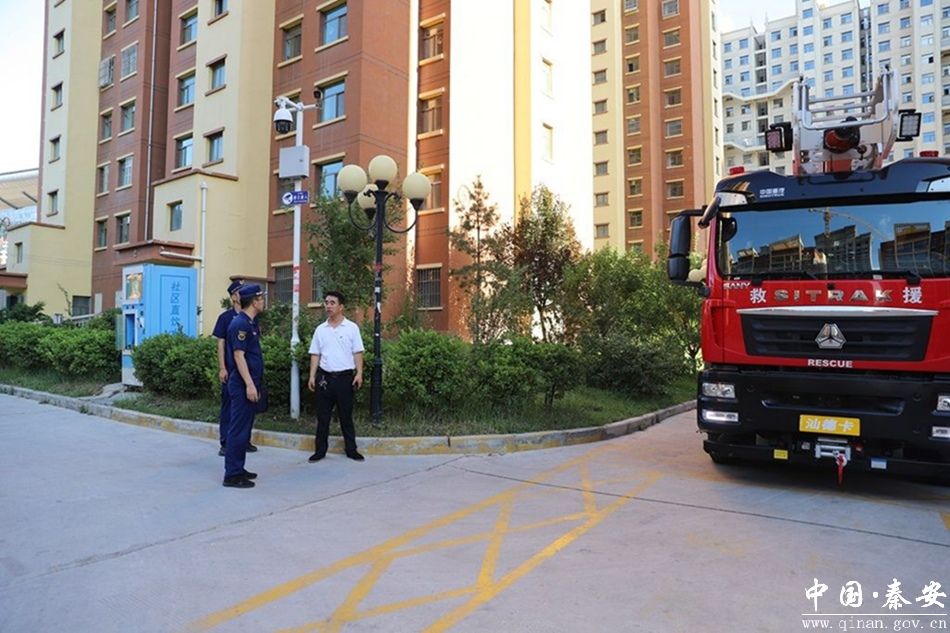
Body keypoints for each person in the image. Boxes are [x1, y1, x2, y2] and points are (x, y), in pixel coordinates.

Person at [307, 290, 365, 462]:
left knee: (346, 416)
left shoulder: (351, 328)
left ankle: (351, 449)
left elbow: (357, 352)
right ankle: (320, 450)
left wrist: (359, 373)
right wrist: (312, 376)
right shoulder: (320, 330)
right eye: (326, 302)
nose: (328, 306)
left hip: (345, 378)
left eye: (332, 303)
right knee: (322, 417)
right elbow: (315, 354)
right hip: (324, 378)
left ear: (341, 307)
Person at [222, 284, 267, 488]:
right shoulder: (240, 324)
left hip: (249, 382)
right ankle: (232, 474)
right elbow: (239, 356)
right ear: (254, 302)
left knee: (244, 429)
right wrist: (249, 384)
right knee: (238, 429)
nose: (263, 302)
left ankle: (239, 468)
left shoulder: (250, 323)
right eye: (261, 298)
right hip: (242, 384)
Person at [212, 280, 257, 457]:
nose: (242, 294)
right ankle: (225, 442)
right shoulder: (225, 318)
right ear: (233, 297)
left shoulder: (250, 318)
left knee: (247, 408)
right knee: (228, 407)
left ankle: (244, 440)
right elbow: (221, 344)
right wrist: (222, 367)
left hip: (247, 371)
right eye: (239, 291)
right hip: (231, 370)